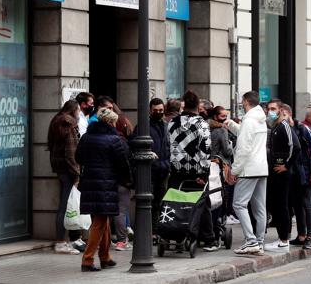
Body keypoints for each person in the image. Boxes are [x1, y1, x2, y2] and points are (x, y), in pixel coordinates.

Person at [76, 108, 132, 272]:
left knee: (103, 221)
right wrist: (128, 180)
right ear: (111, 122)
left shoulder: (86, 137)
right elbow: (122, 163)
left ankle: (105, 256)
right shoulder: (113, 139)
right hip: (106, 184)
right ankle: (87, 259)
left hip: (90, 182)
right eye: (114, 121)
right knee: (99, 223)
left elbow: (78, 157)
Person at [168, 90, 218, 251]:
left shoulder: (172, 122)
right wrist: (204, 172)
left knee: (177, 202)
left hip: (177, 170)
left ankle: (177, 235)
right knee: (202, 205)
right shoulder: (201, 123)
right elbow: (205, 149)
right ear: (197, 105)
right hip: (196, 171)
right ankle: (209, 239)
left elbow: (169, 145)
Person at [226, 91, 269, 255]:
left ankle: (251, 241)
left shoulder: (249, 119)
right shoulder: (259, 119)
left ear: (245, 101)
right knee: (260, 208)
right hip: (261, 168)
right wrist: (232, 125)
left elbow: (243, 148)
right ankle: (259, 242)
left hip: (248, 168)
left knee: (238, 204)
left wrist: (234, 170)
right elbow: (248, 135)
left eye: (241, 101)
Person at [131, 98, 171, 243]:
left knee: (160, 203)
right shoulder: (142, 126)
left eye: (161, 110)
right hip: (149, 171)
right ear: (150, 110)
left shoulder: (166, 126)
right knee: (147, 203)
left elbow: (169, 147)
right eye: (156, 111)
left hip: (163, 170)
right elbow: (134, 146)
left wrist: (168, 164)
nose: (159, 113)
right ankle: (146, 232)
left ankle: (155, 231)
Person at [48, 100, 84, 254]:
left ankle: (63, 240)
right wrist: (77, 174)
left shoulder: (56, 121)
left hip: (60, 168)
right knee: (65, 206)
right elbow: (71, 153)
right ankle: (61, 242)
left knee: (64, 205)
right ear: (74, 110)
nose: (80, 113)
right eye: (78, 110)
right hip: (68, 170)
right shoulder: (70, 125)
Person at [266, 104, 300, 253]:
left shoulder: (283, 126)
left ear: (281, 111)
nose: (270, 112)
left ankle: (284, 240)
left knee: (282, 206)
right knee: (276, 205)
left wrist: (286, 165)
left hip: (282, 171)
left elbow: (295, 146)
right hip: (274, 171)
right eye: (269, 109)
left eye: (273, 109)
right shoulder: (275, 127)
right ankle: (281, 238)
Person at [290, 116, 311, 250]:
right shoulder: (284, 129)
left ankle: (310, 237)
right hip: (294, 173)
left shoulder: (303, 129)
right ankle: (301, 235)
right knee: (296, 204)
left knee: (307, 203)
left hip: (306, 172)